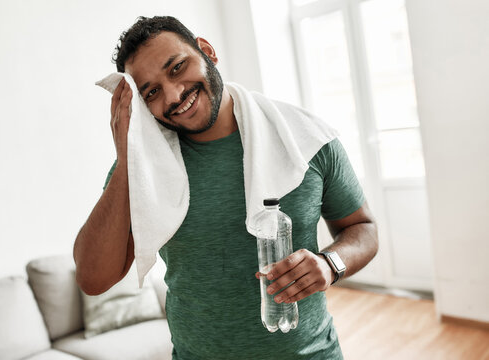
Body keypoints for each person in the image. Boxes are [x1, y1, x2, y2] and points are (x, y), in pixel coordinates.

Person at [73, 16, 378, 360]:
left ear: (207, 52)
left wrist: (330, 264)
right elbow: (92, 278)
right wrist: (127, 158)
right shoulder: (143, 168)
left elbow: (362, 228)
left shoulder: (305, 138)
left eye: (177, 68)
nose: (174, 95)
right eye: (152, 92)